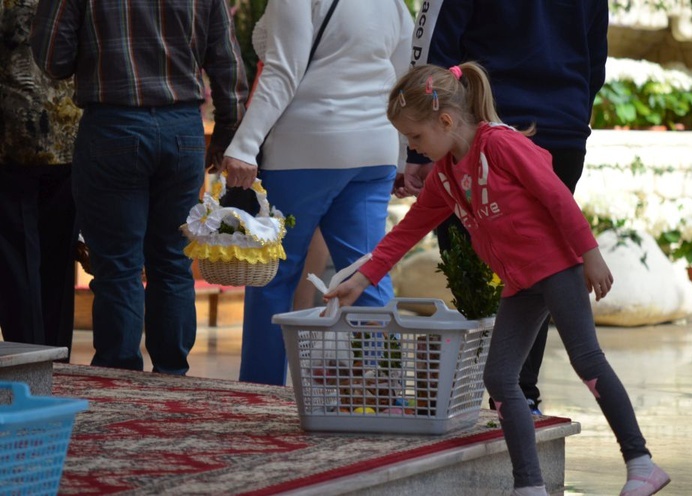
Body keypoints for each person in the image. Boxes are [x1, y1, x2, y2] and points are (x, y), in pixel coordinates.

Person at [326, 63, 670, 496]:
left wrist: (590, 255)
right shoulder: (447, 176)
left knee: (588, 360)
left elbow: (557, 196)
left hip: (559, 267)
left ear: (446, 120)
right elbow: (406, 234)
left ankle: (641, 462)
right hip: (520, 282)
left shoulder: (502, 145)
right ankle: (529, 485)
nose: (413, 148)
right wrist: (362, 278)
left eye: (416, 137)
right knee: (501, 376)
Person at [395, 0, 610, 415]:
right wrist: (572, 113)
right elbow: (595, 53)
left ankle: (477, 393)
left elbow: (432, 44)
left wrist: (419, 151)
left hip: (479, 127)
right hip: (560, 126)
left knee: (474, 264)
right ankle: (518, 395)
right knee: (538, 265)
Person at [30, 0, 249, 374]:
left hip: (113, 125)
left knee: (118, 266)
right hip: (183, 130)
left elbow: (53, 59)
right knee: (172, 261)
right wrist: (228, 132)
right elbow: (227, 62)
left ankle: (119, 377)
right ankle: (171, 375)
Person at [218, 0, 414, 385]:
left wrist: (244, 144)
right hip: (375, 150)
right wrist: (406, 155)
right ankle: (385, 389)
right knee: (368, 271)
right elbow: (404, 77)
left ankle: (260, 391)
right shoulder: (392, 3)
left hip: (306, 147)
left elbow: (282, 71)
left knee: (272, 275)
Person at [0, 0, 80, 356]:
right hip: (69, 133)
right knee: (59, 256)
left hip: (13, 135)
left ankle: (28, 359)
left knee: (17, 258)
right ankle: (56, 358)